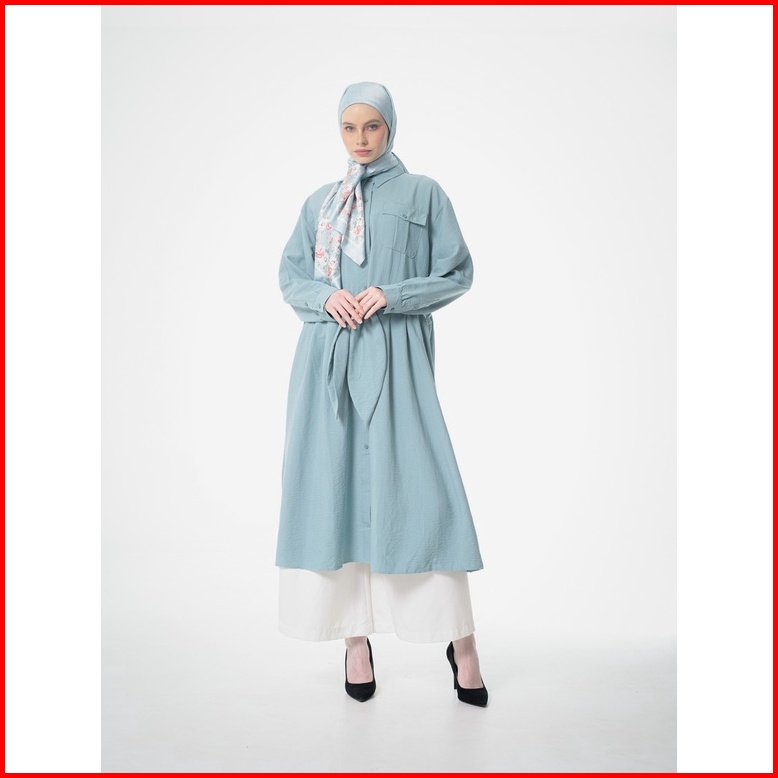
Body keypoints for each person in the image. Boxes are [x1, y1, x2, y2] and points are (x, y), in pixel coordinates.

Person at [276, 81, 487, 707]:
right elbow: (292, 276)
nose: (361, 139)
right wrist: (325, 298)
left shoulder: (424, 193)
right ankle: (355, 641)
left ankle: (462, 645)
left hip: (398, 355)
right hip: (326, 358)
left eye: (372, 126)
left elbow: (456, 272)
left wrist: (394, 295)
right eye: (349, 127)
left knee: (423, 492)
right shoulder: (321, 202)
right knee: (334, 493)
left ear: (390, 126)